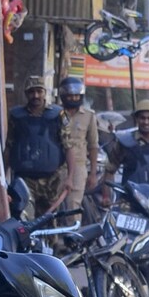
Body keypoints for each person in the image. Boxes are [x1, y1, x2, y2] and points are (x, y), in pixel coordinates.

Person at [6, 75, 76, 219]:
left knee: (49, 221)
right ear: (26, 94)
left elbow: (68, 147)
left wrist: (70, 178)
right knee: (24, 218)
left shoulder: (58, 115)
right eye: (32, 92)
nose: (36, 95)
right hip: (24, 179)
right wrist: (2, 177)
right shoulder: (16, 116)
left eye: (39, 91)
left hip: (52, 180)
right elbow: (9, 146)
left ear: (45, 92)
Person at [57, 77, 98, 219]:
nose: (73, 98)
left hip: (78, 167)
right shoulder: (55, 113)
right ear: (63, 95)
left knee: (73, 207)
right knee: (51, 205)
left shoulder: (89, 116)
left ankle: (73, 232)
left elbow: (93, 145)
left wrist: (93, 173)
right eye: (70, 95)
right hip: (55, 166)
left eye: (77, 95)